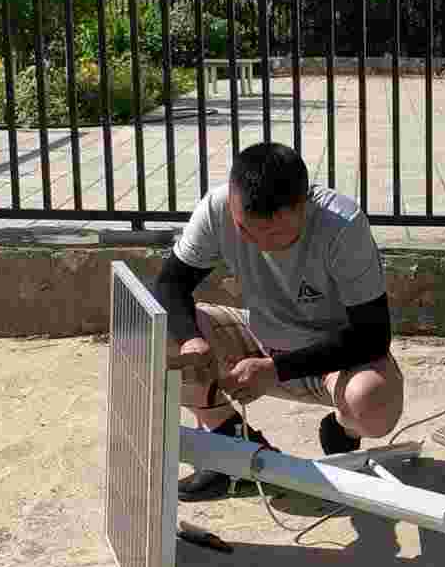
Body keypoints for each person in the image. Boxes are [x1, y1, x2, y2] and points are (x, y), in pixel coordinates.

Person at [154, 142, 404, 500]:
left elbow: (372, 335)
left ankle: (343, 429)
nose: (258, 243)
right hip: (257, 336)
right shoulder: (217, 208)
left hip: (330, 357)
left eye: (274, 234)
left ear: (304, 206)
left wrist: (275, 370)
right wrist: (193, 341)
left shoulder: (342, 225)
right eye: (245, 230)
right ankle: (233, 449)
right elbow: (169, 284)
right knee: (157, 331)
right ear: (233, 201)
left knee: (374, 402)